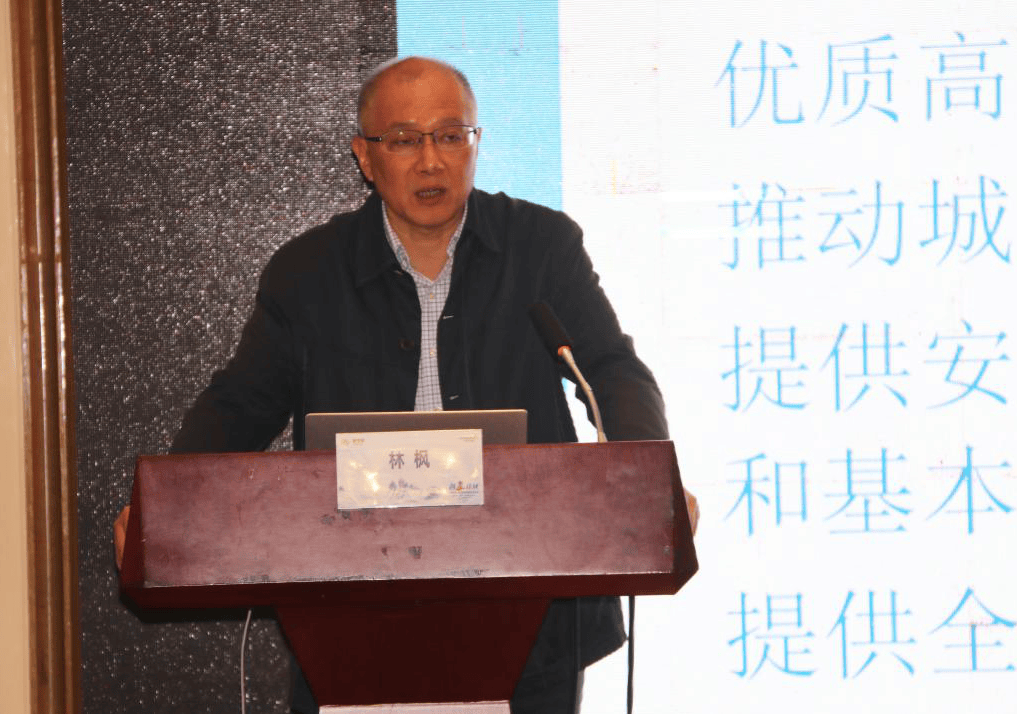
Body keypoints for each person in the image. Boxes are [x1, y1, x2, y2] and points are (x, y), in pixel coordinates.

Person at [118, 56, 681, 713]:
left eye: (451, 136)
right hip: (352, 612)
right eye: (405, 140)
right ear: (364, 155)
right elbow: (240, 404)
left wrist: (647, 479)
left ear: (476, 143)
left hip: (529, 611)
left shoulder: (541, 247)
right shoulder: (308, 273)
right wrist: (166, 508)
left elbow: (610, 368)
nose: (431, 161)